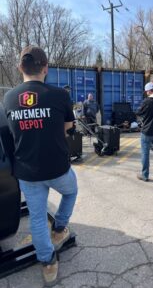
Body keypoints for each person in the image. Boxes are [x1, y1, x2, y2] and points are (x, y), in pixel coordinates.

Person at [3, 46, 78, 286]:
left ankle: (47, 263)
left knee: (36, 218)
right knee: (71, 191)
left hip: (27, 171)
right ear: (45, 68)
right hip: (57, 167)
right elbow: (68, 128)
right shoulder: (59, 95)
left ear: (19, 68)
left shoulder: (8, 98)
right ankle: (59, 227)